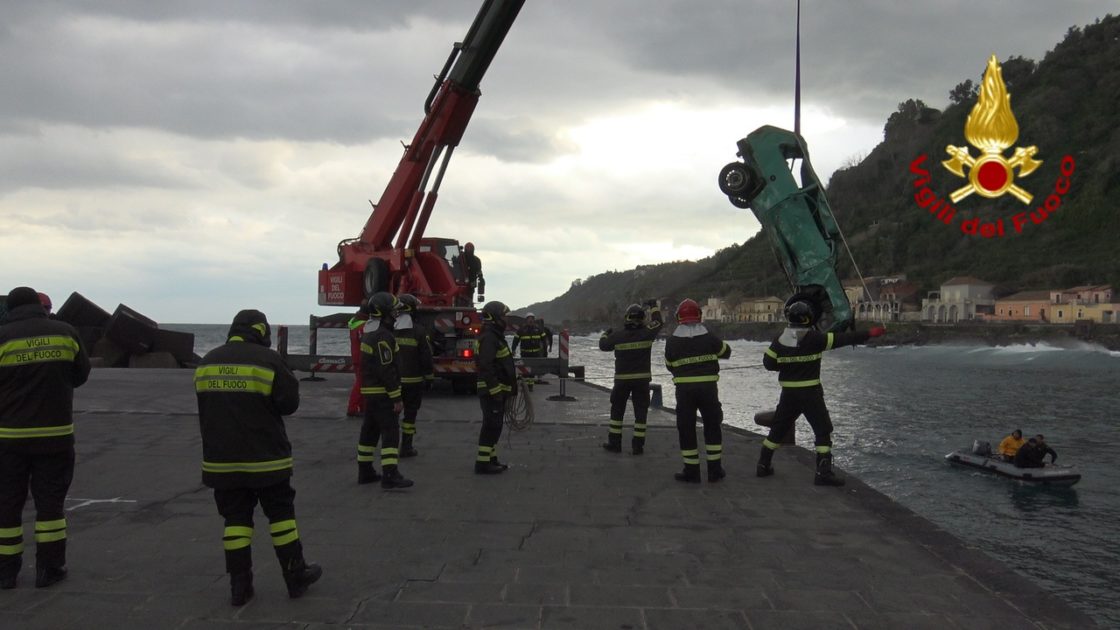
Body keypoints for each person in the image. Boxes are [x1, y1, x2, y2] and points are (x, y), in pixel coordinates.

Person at [194, 309, 321, 605]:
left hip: (221, 461)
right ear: (261, 331)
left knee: (235, 521)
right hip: (267, 460)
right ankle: (295, 576)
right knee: (280, 518)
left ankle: (240, 586)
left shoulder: (207, 361)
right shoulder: (268, 360)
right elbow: (288, 404)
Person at [0, 287, 90, 590]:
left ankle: (6, 572)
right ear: (40, 306)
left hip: (9, 438)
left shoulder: (3, 336)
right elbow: (80, 374)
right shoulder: (65, 332)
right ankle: (49, 568)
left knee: (7, 504)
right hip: (56, 436)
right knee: (50, 505)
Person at [756, 297, 885, 486]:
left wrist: (784, 365)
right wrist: (870, 333)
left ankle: (763, 464)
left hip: (789, 394)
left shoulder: (780, 340)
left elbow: (768, 363)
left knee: (778, 429)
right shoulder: (816, 339)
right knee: (822, 430)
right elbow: (843, 338)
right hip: (811, 393)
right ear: (809, 318)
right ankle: (823, 473)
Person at [664, 298, 731, 483]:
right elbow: (727, 351)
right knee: (712, 426)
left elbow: (669, 365)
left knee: (686, 429)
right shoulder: (709, 338)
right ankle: (714, 470)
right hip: (709, 390)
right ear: (699, 316)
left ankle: (691, 471)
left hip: (684, 392)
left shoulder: (672, 342)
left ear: (678, 317)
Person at [356, 293, 413, 489]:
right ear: (384, 312)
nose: (397, 314)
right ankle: (390, 474)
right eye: (394, 310)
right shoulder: (383, 336)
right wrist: (396, 397)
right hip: (383, 394)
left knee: (369, 432)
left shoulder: (369, 333)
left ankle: (365, 470)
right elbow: (386, 369)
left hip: (371, 392)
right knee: (390, 432)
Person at [599, 303, 663, 455]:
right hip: (642, 381)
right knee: (641, 414)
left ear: (626, 318)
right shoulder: (647, 333)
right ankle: (637, 446)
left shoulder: (618, 336)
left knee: (617, 412)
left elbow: (603, 345)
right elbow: (659, 322)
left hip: (621, 381)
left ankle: (614, 444)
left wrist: (605, 333)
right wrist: (654, 306)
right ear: (642, 319)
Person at [475, 301, 516, 474]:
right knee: (491, 426)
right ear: (494, 318)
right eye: (504, 316)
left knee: (495, 426)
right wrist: (495, 390)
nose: (506, 319)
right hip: (492, 391)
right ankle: (482, 464)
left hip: (498, 390)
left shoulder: (495, 336)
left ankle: (491, 458)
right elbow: (486, 366)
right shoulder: (490, 338)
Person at [394, 294, 434, 458]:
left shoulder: (389, 328)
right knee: (410, 415)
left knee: (392, 416)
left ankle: (390, 446)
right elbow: (426, 356)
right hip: (413, 382)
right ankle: (407, 447)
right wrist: (429, 376)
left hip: (393, 383)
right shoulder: (419, 331)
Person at [346, 303, 370, 417]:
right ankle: (353, 408)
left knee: (363, 383)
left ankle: (362, 408)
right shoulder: (363, 327)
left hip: (356, 356)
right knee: (361, 384)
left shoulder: (354, 323)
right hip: (362, 358)